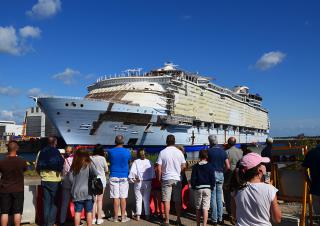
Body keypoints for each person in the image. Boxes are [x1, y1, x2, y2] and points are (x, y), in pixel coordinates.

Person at [231, 152, 282, 225]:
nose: (264, 166)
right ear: (259, 170)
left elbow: (234, 215)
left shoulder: (236, 190)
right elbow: (277, 219)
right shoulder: (270, 189)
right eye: (262, 164)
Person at [156, 135, 186, 226]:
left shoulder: (162, 152)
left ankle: (167, 221)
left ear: (166, 142)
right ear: (174, 142)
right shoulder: (179, 152)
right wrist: (179, 172)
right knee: (177, 200)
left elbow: (159, 167)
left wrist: (159, 178)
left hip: (166, 178)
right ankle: (178, 219)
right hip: (177, 178)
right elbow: (184, 165)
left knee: (166, 200)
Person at [36, 136, 64, 226]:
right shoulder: (57, 152)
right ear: (55, 143)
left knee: (46, 203)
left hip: (44, 179)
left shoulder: (41, 152)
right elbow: (61, 165)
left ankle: (45, 223)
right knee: (54, 203)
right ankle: (51, 223)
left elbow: (37, 166)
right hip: (55, 180)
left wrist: (42, 175)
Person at [0, 141, 27, 226]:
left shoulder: (2, 161)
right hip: (18, 189)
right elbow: (25, 169)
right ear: (17, 149)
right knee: (17, 212)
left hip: (4, 189)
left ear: (8, 149)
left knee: (4, 212)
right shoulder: (22, 161)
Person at [69, 149, 98, 226]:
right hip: (88, 192)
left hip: (77, 192)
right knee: (89, 212)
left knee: (77, 212)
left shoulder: (74, 165)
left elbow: (70, 179)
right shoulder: (89, 164)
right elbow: (96, 173)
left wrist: (75, 184)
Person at [107, 135, 132, 223]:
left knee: (115, 197)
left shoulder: (110, 151)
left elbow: (109, 161)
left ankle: (115, 217)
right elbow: (129, 162)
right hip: (124, 175)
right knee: (123, 197)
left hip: (114, 174)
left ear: (115, 141)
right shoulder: (128, 152)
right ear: (123, 142)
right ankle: (124, 217)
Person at [207, 135, 230, 225]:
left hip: (212, 175)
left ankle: (214, 219)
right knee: (219, 197)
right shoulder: (223, 151)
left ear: (210, 142)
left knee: (213, 197)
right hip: (221, 174)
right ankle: (220, 219)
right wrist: (222, 172)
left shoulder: (208, 151)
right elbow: (228, 166)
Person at [129, 149, 155, 221]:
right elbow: (153, 175)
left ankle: (138, 216)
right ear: (145, 154)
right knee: (146, 199)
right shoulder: (150, 162)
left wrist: (133, 179)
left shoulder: (136, 162)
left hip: (138, 182)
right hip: (147, 182)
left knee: (138, 199)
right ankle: (147, 215)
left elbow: (132, 173)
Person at [191, 149, 215, 226]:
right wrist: (212, 186)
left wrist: (193, 186)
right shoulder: (210, 166)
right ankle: (204, 224)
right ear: (207, 156)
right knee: (205, 208)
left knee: (198, 208)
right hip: (207, 188)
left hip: (198, 188)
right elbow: (212, 178)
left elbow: (193, 178)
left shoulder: (195, 166)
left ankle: (198, 224)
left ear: (199, 156)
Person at [225, 137, 243, 219]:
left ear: (228, 143)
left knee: (228, 193)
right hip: (239, 174)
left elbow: (225, 165)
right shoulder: (240, 151)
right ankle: (239, 210)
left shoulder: (226, 152)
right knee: (239, 192)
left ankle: (230, 212)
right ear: (235, 143)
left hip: (229, 174)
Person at [91, 144, 108, 225]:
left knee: (93, 200)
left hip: (93, 180)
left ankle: (93, 218)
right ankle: (99, 218)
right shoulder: (103, 158)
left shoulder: (90, 158)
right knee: (100, 200)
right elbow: (106, 169)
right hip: (102, 180)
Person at [302, 145, 320, 218]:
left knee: (318, 213)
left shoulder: (311, 153)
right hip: (315, 187)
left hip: (315, 187)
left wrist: (308, 181)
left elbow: (304, 169)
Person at [59, 145, 74, 226]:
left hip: (66, 183)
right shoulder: (76, 160)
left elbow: (63, 172)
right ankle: (76, 219)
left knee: (64, 204)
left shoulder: (64, 160)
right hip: (75, 184)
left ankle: (62, 221)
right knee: (76, 203)